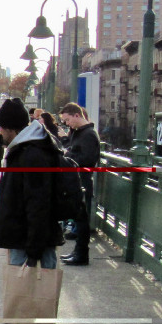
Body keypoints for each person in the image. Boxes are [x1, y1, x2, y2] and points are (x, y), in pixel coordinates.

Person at [0, 97, 64, 324]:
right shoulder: (31, 147)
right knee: (30, 292)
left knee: (29, 290)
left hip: (30, 235)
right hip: (28, 233)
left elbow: (38, 202)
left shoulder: (30, 152)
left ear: (10, 128)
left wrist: (33, 245)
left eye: (0, 128)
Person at [60, 102, 100, 266]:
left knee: (82, 221)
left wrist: (68, 156)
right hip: (76, 180)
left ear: (77, 115)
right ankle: (78, 252)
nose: (67, 123)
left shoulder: (89, 134)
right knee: (79, 219)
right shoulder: (80, 133)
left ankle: (81, 254)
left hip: (82, 180)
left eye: (68, 120)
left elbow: (89, 159)